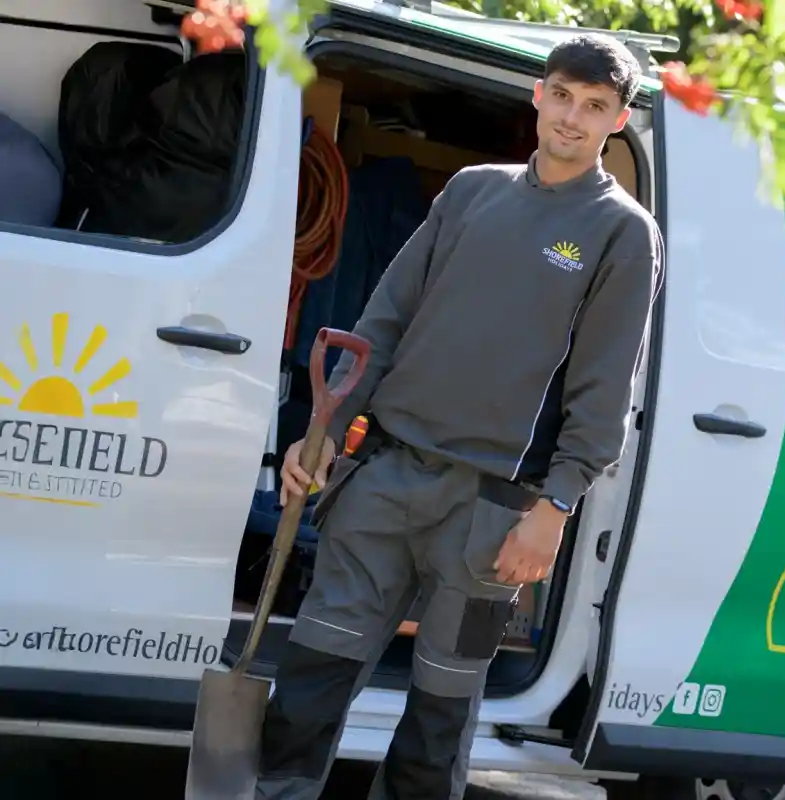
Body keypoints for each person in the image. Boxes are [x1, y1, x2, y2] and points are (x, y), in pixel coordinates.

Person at [256, 32, 664, 800]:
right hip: (382, 478)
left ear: (618, 119)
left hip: (494, 516)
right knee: (310, 676)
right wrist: (320, 437)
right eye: (563, 96)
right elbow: (382, 321)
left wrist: (556, 508)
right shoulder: (473, 190)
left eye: (596, 106)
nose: (572, 118)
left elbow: (604, 389)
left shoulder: (623, 234)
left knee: (438, 720)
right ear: (538, 95)